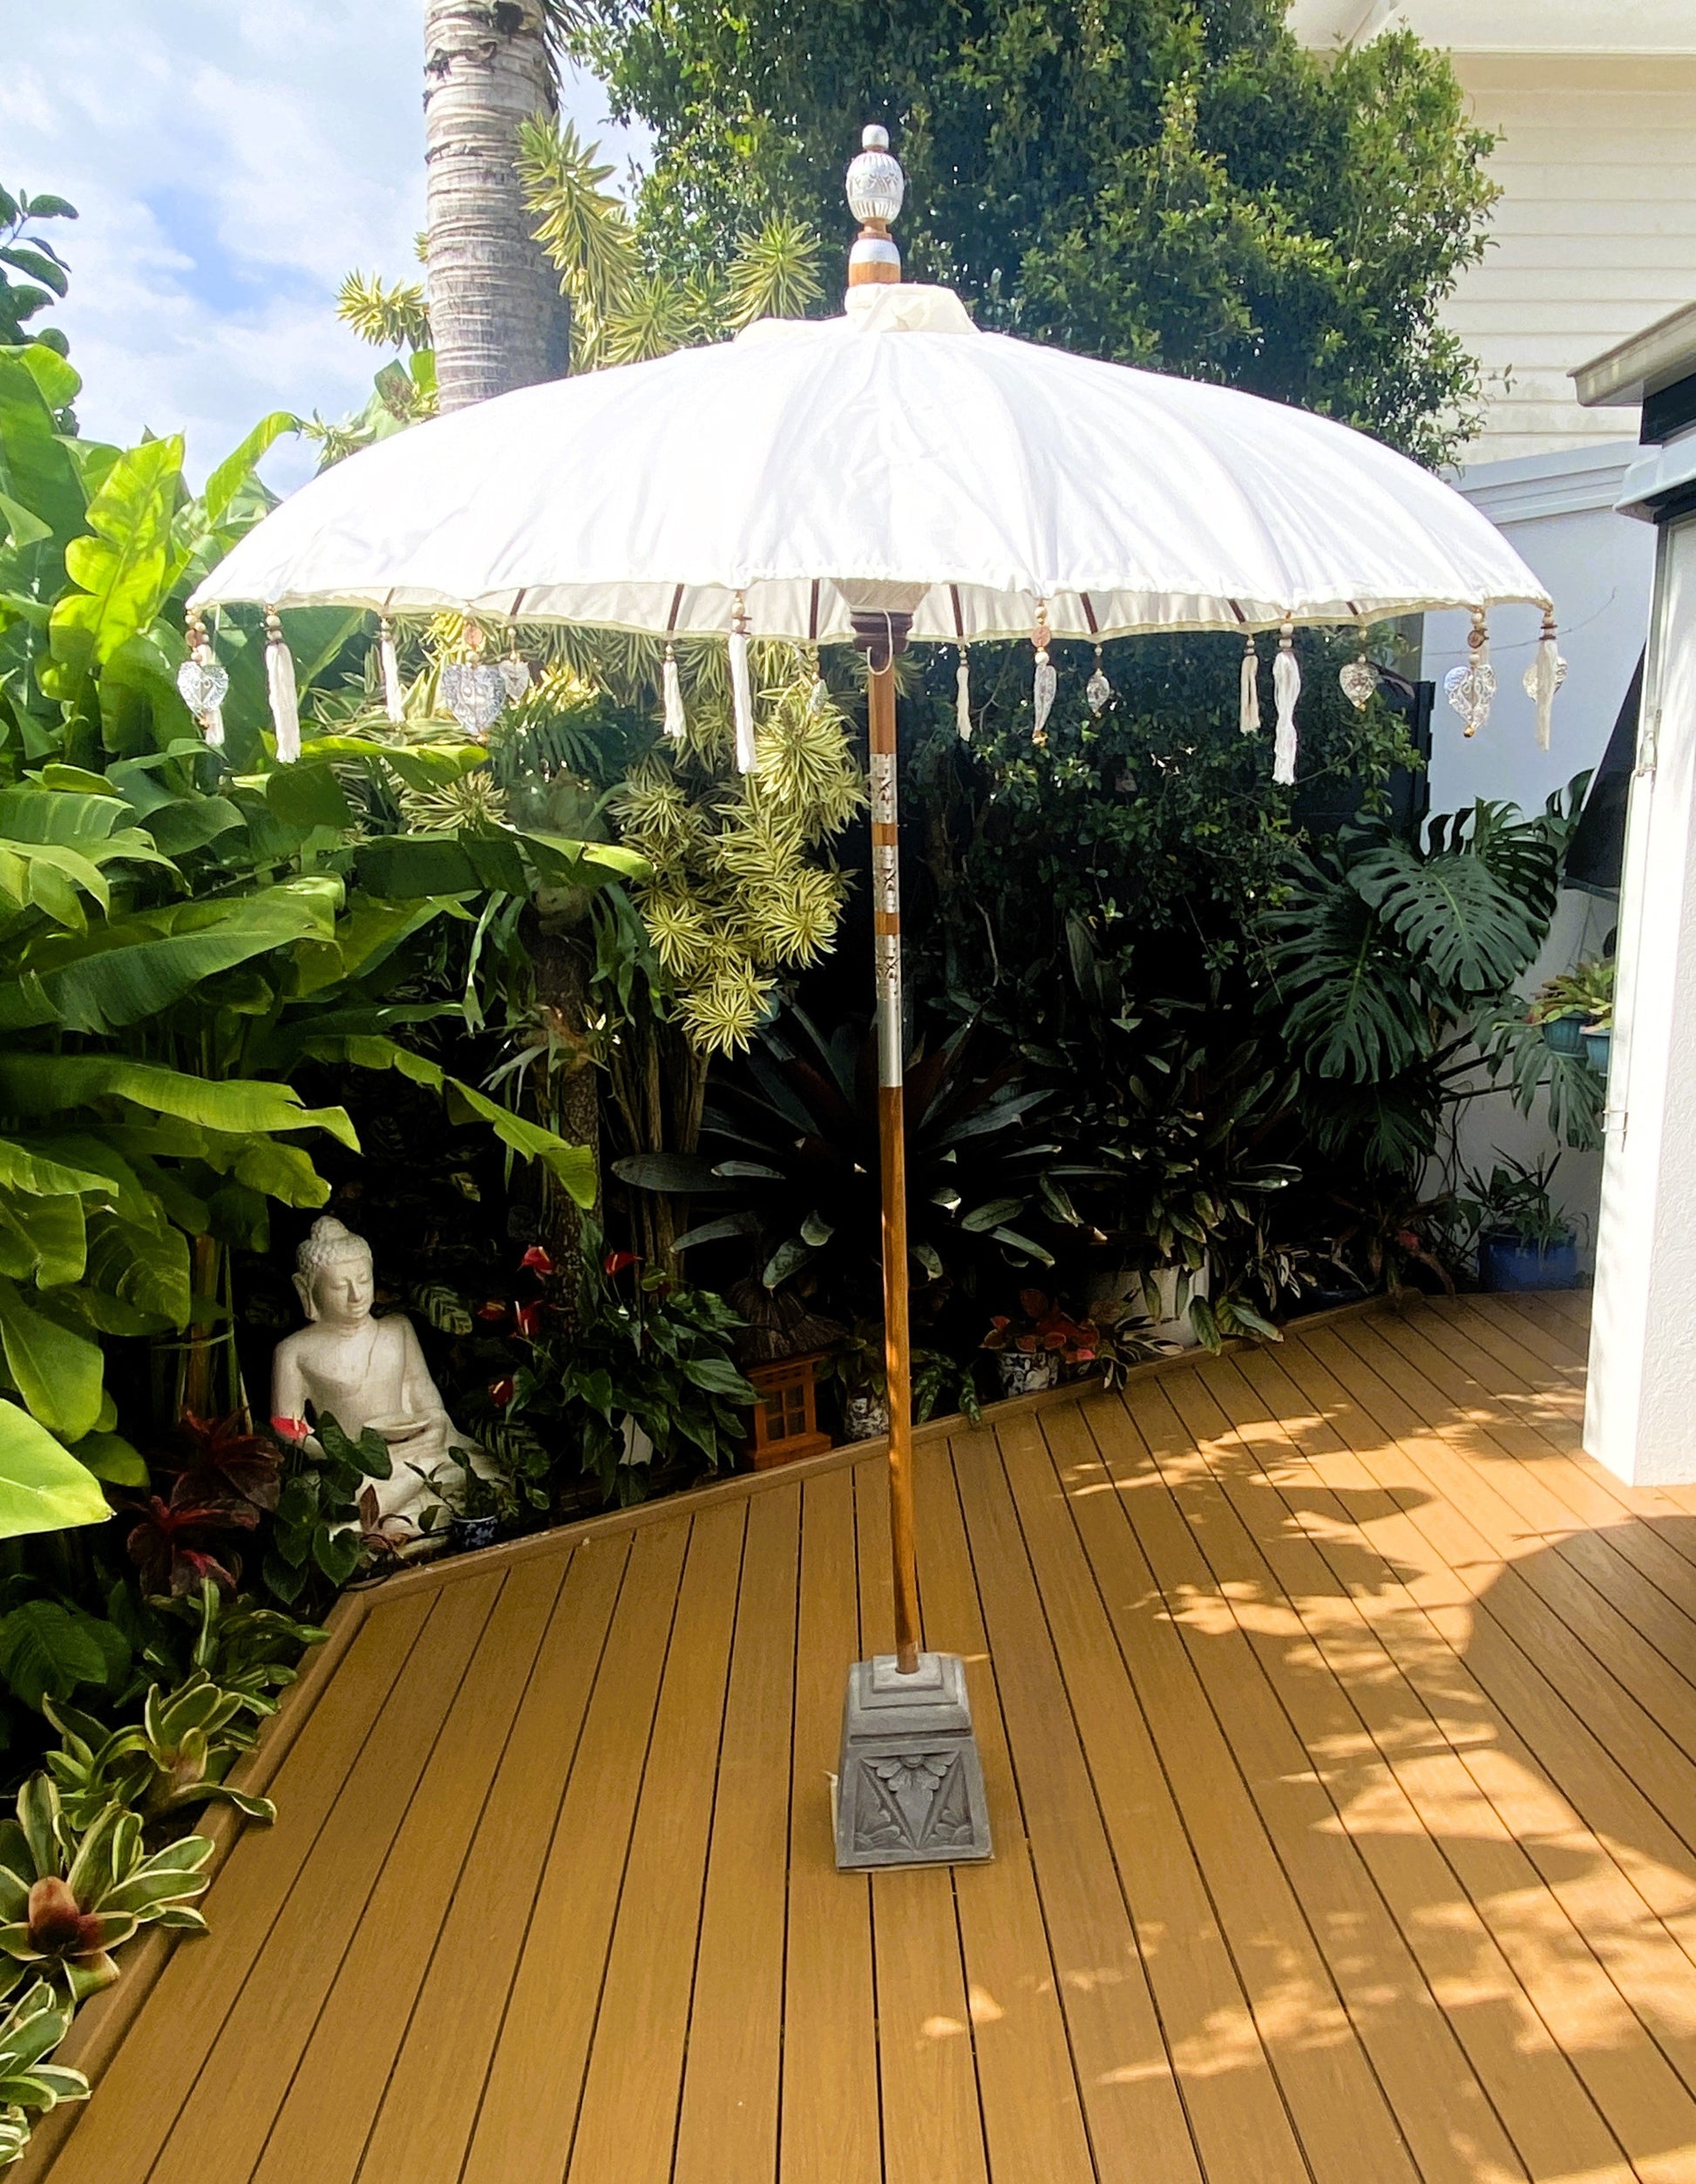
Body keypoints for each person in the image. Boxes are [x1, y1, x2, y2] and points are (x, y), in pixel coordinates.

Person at [270, 1216, 469, 1543]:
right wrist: (335, 1454)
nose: (356, 1295)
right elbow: (286, 1426)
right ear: (307, 1290)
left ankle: (371, 1522)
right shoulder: (294, 1351)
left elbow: (423, 1393)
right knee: (331, 1498)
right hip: (350, 1468)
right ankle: (376, 1520)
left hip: (413, 1451)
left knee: (466, 1470)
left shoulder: (398, 1329)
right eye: (339, 1286)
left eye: (363, 1280)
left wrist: (435, 1425)